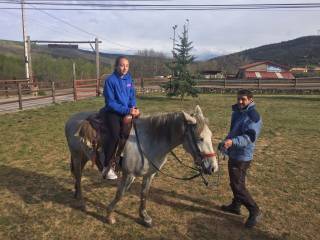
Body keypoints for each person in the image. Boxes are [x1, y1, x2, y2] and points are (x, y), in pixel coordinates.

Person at [219, 89, 262, 228]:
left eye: (243, 99)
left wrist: (232, 142)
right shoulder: (238, 112)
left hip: (243, 155)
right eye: (238, 99)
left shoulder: (253, 116)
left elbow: (250, 137)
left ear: (250, 99)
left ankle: (255, 210)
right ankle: (236, 205)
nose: (240, 101)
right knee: (235, 182)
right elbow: (234, 132)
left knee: (238, 185)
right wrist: (226, 142)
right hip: (234, 152)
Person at [100, 56, 140, 180]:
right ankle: (107, 166)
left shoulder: (129, 79)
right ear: (117, 66)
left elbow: (132, 95)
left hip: (128, 110)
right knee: (115, 135)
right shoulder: (110, 80)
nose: (124, 68)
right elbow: (110, 103)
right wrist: (128, 110)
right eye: (122, 65)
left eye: (127, 66)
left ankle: (127, 159)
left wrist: (133, 107)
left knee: (138, 131)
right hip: (113, 112)